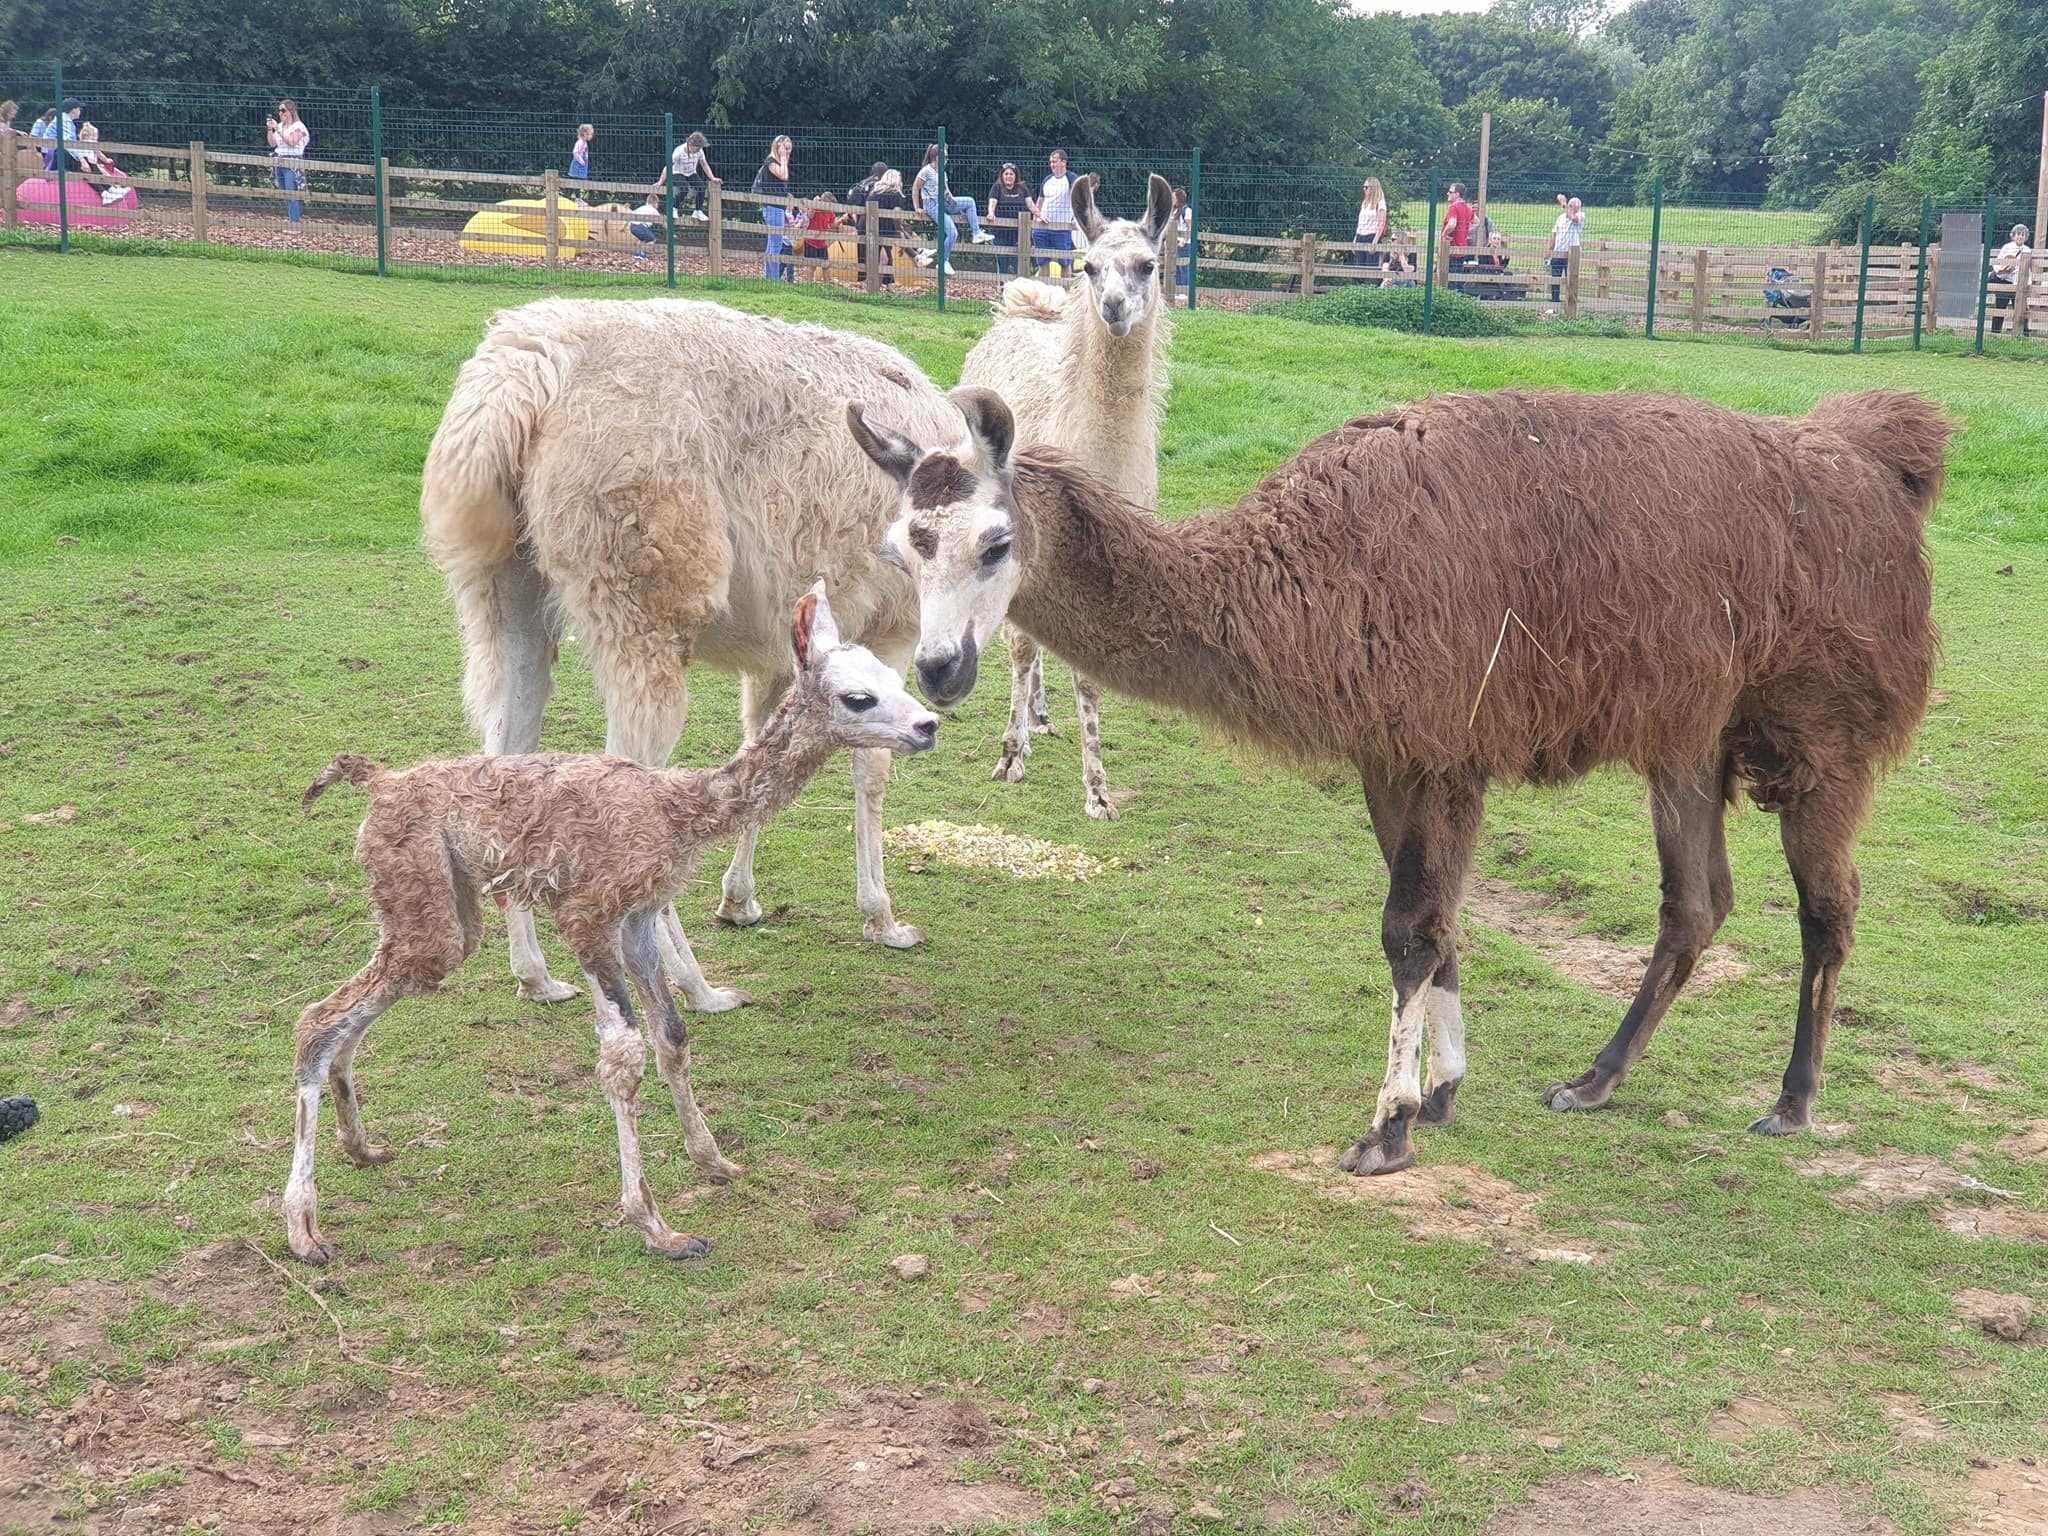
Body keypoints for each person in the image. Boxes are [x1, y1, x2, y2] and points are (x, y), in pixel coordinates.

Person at [912, 143, 992, 275]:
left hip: (945, 201)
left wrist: (956, 205)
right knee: (953, 233)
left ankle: (976, 233)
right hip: (932, 205)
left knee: (970, 202)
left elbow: (946, 190)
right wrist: (917, 208)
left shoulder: (942, 171)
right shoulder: (926, 171)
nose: (947, 160)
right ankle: (943, 261)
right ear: (937, 157)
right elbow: (915, 188)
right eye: (946, 157)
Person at [1029, 149, 1079, 276]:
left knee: (1065, 263)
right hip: (1042, 228)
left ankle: (1065, 293)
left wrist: (1076, 217)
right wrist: (1035, 222)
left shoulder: (1072, 179)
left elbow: (1081, 200)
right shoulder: (1047, 180)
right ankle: (1043, 293)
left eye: (1055, 161)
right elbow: (1039, 203)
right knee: (1042, 263)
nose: (1052, 165)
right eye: (1051, 162)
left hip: (1061, 228)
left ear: (1063, 162)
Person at [753, 134, 794, 280]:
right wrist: (783, 158)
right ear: (778, 147)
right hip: (773, 207)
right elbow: (784, 176)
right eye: (785, 148)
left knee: (772, 244)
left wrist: (784, 158)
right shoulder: (771, 162)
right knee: (776, 245)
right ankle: (774, 280)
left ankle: (769, 278)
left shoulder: (776, 162)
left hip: (777, 207)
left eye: (789, 149)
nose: (788, 152)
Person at [652, 131, 719, 221]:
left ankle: (698, 211)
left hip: (691, 173)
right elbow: (668, 166)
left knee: (702, 187)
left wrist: (712, 178)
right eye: (697, 148)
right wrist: (661, 181)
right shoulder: (679, 151)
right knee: (684, 188)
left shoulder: (699, 152)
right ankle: (674, 208)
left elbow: (704, 164)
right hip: (677, 173)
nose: (699, 150)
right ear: (691, 144)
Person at [266, 99, 309, 225]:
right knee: (285, 192)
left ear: (291, 111)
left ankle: (294, 223)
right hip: (279, 160)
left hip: (292, 162)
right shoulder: (279, 126)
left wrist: (278, 131)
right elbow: (272, 143)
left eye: (283, 110)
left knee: (291, 193)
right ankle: (291, 219)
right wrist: (270, 130)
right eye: (279, 110)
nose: (280, 113)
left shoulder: (298, 127)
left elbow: (292, 142)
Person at [988, 162, 1029, 277]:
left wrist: (1039, 215)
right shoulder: (997, 188)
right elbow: (992, 202)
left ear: (1015, 176)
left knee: (1018, 264)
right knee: (1002, 263)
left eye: (1011, 174)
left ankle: (1019, 292)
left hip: (1018, 234)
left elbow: (1030, 204)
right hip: (1000, 233)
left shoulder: (1022, 188)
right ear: (1002, 176)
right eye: (1006, 174)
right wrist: (991, 213)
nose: (1009, 176)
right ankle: (1003, 290)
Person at [1989, 223, 2032, 334]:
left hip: (2018, 283)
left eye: (2023, 234)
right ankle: (1995, 332)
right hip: (2004, 281)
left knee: (2021, 308)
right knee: (2000, 307)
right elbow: (1997, 263)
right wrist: (2003, 270)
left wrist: (2028, 283)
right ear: (2013, 236)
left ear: (2026, 237)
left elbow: (2028, 269)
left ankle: (2024, 333)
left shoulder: (2027, 250)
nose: (2020, 236)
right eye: (2018, 234)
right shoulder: (2007, 247)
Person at [1547, 195, 1584, 303]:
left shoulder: (1581, 216)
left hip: (1571, 255)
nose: (1571, 208)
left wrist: (1563, 203)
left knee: (1571, 279)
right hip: (1558, 253)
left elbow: (1573, 218)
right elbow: (1554, 234)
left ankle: (1571, 302)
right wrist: (1549, 250)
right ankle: (1554, 302)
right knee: (1555, 279)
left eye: (1573, 206)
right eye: (1570, 206)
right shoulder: (1560, 218)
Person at [1441, 181, 1476, 280]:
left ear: (1457, 194)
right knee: (1458, 279)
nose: (1447, 193)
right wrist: (1465, 230)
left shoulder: (1453, 207)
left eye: (1450, 192)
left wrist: (1444, 234)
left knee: (1450, 280)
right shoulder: (1467, 208)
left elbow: (1452, 224)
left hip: (1451, 250)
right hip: (1462, 250)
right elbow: (1477, 222)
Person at [1354, 177, 1387, 270]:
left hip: (1371, 236)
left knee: (1370, 267)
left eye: (1366, 187)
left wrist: (1375, 241)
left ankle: (1371, 284)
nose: (1364, 189)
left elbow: (1381, 223)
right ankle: (1360, 284)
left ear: (1373, 188)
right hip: (1360, 236)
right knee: (1359, 268)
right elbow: (1360, 223)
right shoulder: (1364, 203)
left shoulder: (1380, 203)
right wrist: (1355, 239)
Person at [1172, 185, 1192, 292]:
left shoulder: (1187, 210)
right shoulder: (1175, 211)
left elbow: (1189, 227)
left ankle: (1185, 291)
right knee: (1177, 268)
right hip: (1176, 242)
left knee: (1184, 268)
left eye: (1174, 197)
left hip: (1184, 243)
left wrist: (1184, 240)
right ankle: (1179, 290)